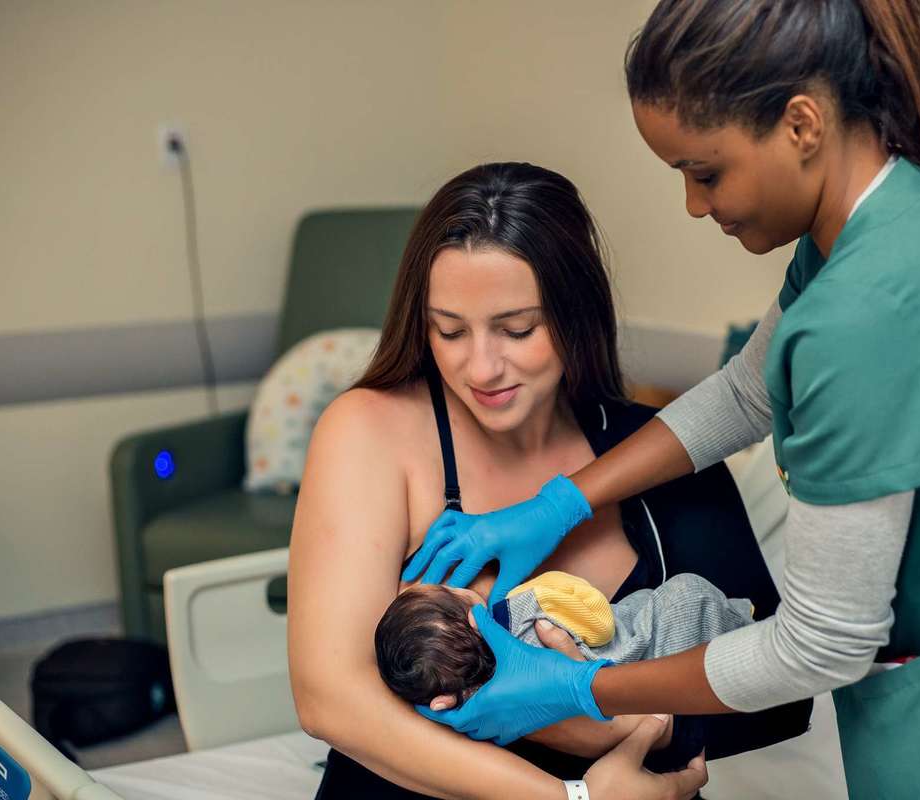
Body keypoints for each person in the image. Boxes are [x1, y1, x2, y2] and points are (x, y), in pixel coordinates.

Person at [404, 2, 920, 798]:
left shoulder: (864, 315)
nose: (695, 205)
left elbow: (823, 643)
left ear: (801, 124)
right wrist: (560, 504)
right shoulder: (893, 218)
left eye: (705, 172)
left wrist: (577, 688)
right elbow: (746, 390)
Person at [287, 161, 811, 800]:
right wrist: (576, 792)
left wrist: (570, 708)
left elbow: (779, 699)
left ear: (574, 313)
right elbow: (330, 699)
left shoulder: (656, 453)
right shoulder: (370, 432)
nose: (480, 365)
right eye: (448, 329)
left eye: (517, 329)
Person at [375, 570, 756, 713]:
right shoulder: (524, 608)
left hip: (647, 699)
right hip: (659, 633)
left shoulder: (495, 693)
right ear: (469, 610)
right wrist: (549, 589)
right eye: (450, 588)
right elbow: (602, 626)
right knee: (686, 595)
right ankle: (742, 621)